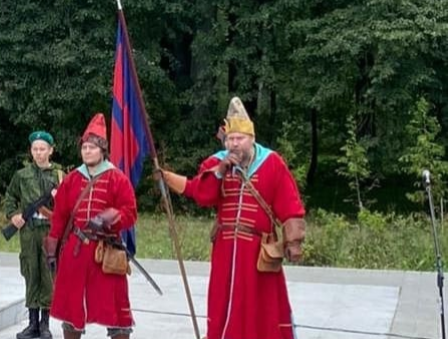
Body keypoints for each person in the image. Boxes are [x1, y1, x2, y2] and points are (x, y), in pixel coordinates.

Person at [159, 97, 306, 339]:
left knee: (262, 310)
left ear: (252, 139)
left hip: (258, 251)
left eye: (240, 139)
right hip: (225, 250)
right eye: (230, 139)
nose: (235, 144)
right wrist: (220, 171)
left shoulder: (272, 163)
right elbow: (202, 194)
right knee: (223, 303)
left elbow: (290, 204)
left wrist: (294, 242)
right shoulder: (216, 162)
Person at [45, 113, 137, 339]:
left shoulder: (117, 178)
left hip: (104, 250)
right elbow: (60, 216)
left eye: (92, 147)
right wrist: (52, 248)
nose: (87, 151)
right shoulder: (73, 179)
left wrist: (109, 219)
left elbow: (129, 212)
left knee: (114, 306)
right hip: (76, 248)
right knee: (71, 307)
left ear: (102, 150)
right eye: (84, 147)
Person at [3, 130, 65, 339]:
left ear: (51, 150)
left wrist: (58, 199)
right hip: (29, 231)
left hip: (50, 231)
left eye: (43, 149)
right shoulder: (22, 175)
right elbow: (10, 197)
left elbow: (67, 204)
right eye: (35, 149)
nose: (39, 153)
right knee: (31, 272)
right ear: (31, 151)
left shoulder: (59, 175)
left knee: (48, 274)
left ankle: (45, 324)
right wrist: (14, 215)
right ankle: (32, 323)